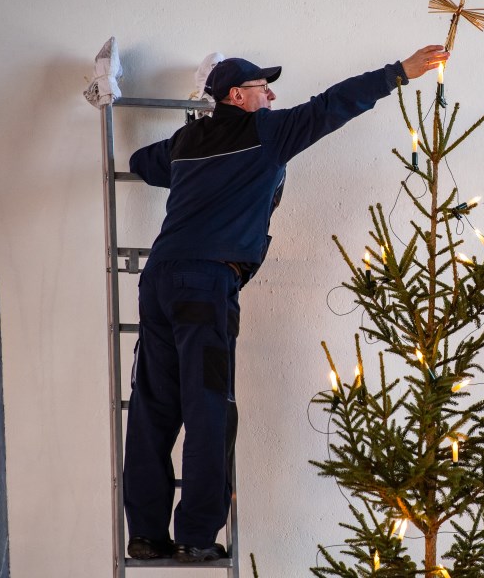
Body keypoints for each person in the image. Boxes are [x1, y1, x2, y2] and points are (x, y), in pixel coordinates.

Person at [123, 45, 450, 562]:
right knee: (208, 408)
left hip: (158, 281)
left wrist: (194, 143)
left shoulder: (186, 142)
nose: (272, 96)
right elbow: (333, 105)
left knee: (151, 408)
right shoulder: (266, 133)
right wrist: (399, 73)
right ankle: (195, 537)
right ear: (237, 96)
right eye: (262, 88)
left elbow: (142, 163)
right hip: (206, 284)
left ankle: (144, 535)